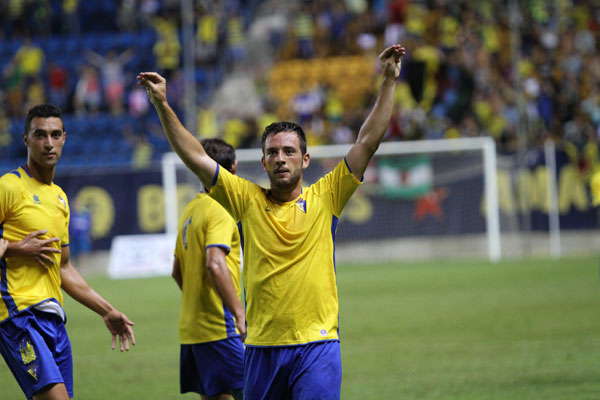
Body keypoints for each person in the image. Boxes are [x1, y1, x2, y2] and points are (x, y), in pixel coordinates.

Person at [139, 44, 405, 399]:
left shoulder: (326, 196)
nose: (281, 159)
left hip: (317, 345)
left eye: (289, 151)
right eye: (273, 153)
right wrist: (162, 104)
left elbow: (367, 140)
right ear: (263, 162)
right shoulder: (245, 199)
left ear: (305, 159)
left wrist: (388, 80)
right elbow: (195, 156)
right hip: (261, 349)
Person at [0, 104, 136, 400]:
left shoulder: (60, 199)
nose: (48, 143)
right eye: (40, 135)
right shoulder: (8, 187)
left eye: (55, 134)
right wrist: (16, 247)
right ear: (25, 139)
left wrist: (107, 310)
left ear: (64, 138)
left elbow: (63, 268)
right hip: (18, 316)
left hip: (54, 319)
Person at [172, 138, 245, 400]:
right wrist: (239, 313)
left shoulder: (190, 209)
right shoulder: (221, 208)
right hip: (220, 327)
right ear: (234, 168)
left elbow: (176, 271)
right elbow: (215, 263)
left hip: (191, 329)